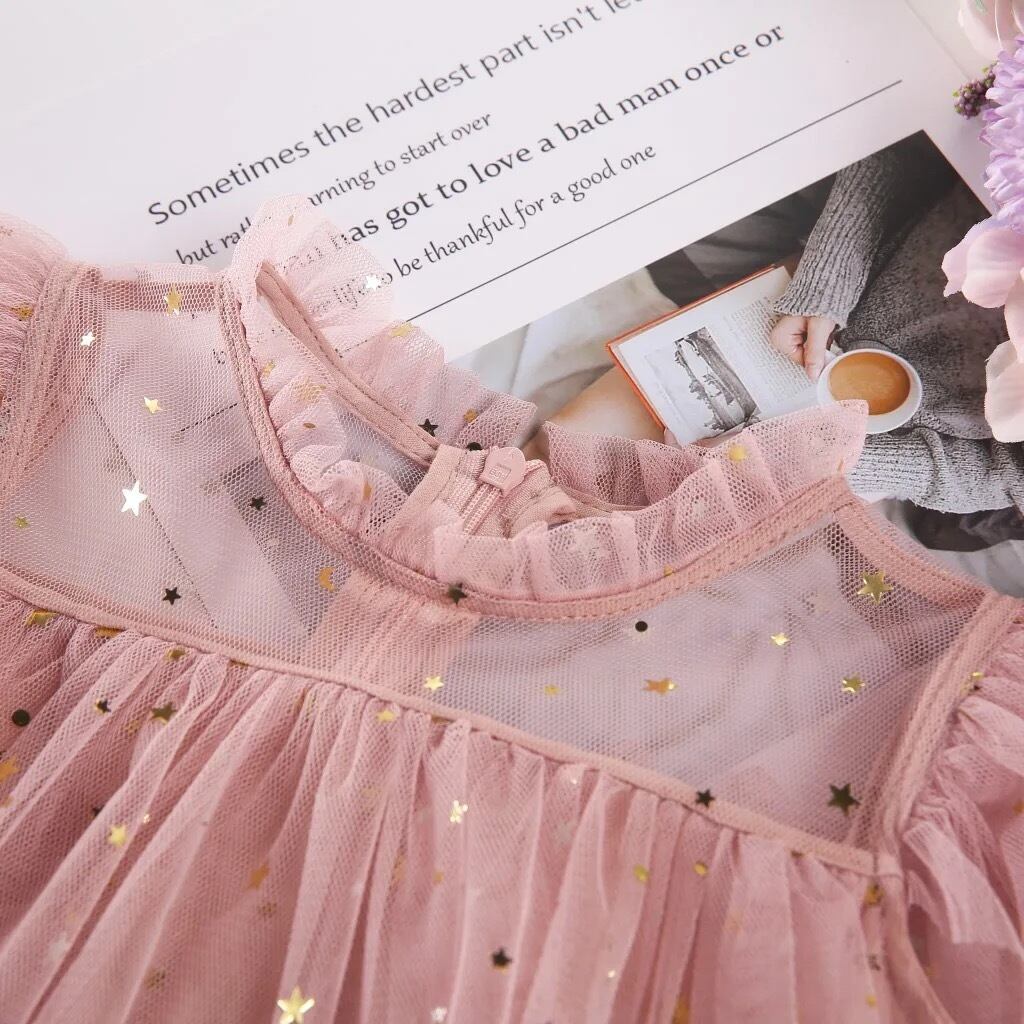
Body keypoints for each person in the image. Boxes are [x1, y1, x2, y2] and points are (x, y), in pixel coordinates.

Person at [769, 132, 1024, 513]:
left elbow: (1006, 479)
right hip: (840, 265)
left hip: (894, 444)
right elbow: (902, 143)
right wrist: (825, 284)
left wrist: (864, 464)